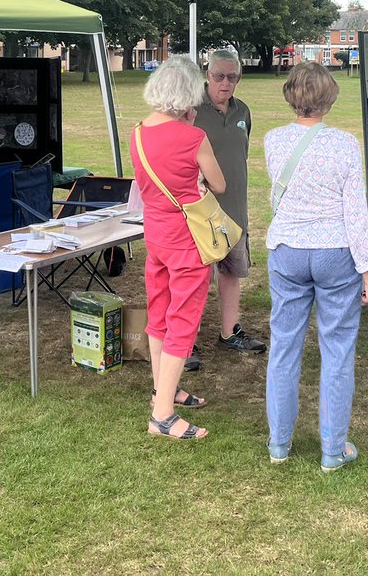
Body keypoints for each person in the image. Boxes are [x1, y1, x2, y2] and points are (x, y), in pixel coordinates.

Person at [263, 62, 368, 471]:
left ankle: (278, 443)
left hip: (287, 250)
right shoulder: (345, 145)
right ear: (330, 98)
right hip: (335, 253)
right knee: (337, 351)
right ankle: (333, 449)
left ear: (290, 96)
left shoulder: (272, 141)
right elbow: (355, 214)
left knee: (284, 346)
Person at [131, 56, 227, 441]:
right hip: (187, 239)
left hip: (155, 234)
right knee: (182, 323)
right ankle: (162, 415)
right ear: (189, 96)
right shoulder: (194, 137)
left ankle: (162, 390)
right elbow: (219, 184)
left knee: (159, 314)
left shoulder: (137, 131)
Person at [190, 49, 265, 370]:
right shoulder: (192, 111)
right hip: (200, 213)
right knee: (195, 279)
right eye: (219, 75)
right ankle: (187, 339)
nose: (225, 83)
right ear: (207, 75)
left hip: (235, 208)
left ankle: (229, 331)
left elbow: (242, 153)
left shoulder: (243, 111)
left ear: (239, 78)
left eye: (232, 77)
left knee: (232, 272)